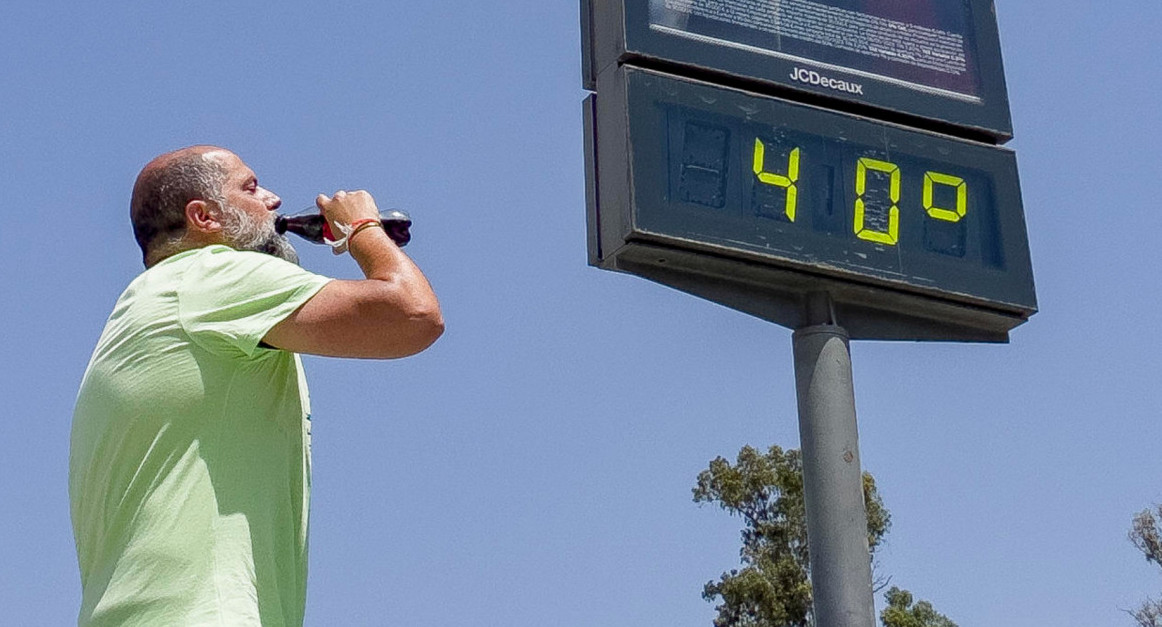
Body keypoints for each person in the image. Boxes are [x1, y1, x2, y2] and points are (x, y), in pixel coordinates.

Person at [69, 145, 444, 626]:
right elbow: (411, 315)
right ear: (204, 217)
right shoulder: (210, 276)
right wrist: (362, 229)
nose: (274, 200)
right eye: (250, 188)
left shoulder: (157, 303)